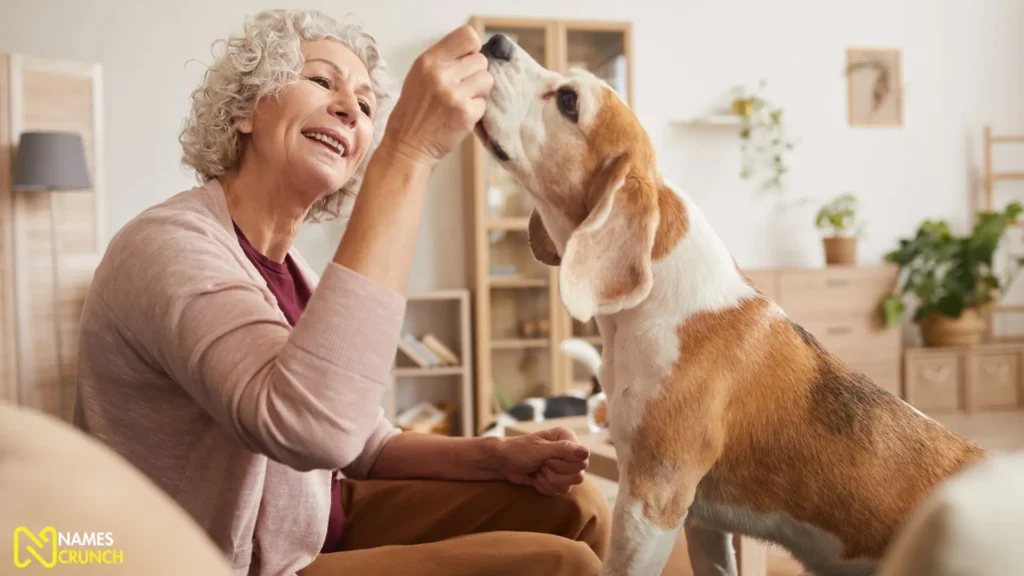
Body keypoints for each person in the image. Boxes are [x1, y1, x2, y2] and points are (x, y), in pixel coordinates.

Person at [73, 8, 610, 576]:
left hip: (310, 519)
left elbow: (366, 443)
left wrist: (499, 455)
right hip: (221, 561)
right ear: (245, 110)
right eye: (322, 81)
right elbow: (312, 428)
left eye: (367, 106)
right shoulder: (165, 246)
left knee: (579, 507)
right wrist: (406, 152)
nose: (349, 107)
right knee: (559, 564)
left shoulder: (293, 269)